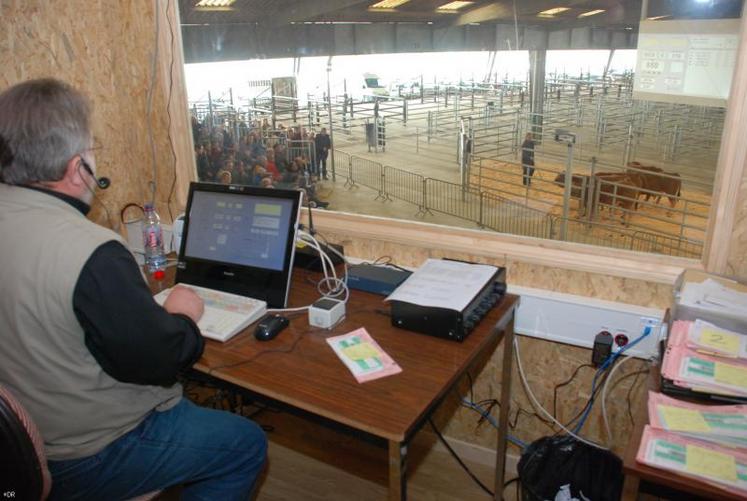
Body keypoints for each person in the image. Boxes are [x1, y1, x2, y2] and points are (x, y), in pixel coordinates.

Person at [0, 79, 266, 500]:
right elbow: (157, 360)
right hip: (88, 454)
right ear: (76, 169)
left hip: (16, 445)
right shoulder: (93, 251)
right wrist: (181, 315)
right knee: (243, 444)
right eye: (90, 150)